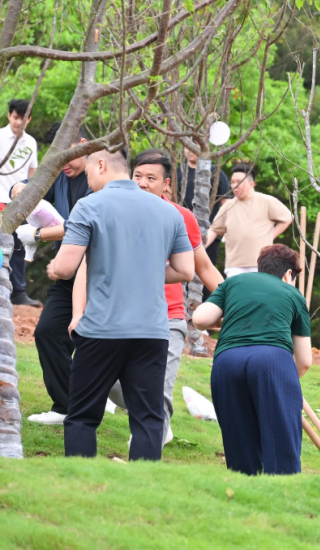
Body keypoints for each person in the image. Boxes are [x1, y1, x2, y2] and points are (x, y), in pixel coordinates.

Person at [46, 146, 194, 460]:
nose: (87, 180)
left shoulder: (90, 205)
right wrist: (146, 270)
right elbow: (185, 270)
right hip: (152, 331)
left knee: (82, 416)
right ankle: (142, 481)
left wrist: (53, 267)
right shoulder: (170, 212)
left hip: (102, 329)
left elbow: (66, 267)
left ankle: (83, 479)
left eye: (88, 171)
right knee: (148, 418)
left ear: (101, 165)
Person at [101, 148, 224, 446]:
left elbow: (204, 267)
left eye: (151, 178)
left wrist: (234, 302)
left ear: (166, 184)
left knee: (158, 387)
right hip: (118, 315)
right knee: (107, 381)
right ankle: (152, 418)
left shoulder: (180, 217)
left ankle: (150, 437)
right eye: (137, 176)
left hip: (168, 317)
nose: (142, 183)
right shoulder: (114, 209)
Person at [193, 244, 312, 475]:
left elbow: (200, 319)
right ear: (289, 274)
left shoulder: (233, 283)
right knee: (281, 451)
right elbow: (305, 360)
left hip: (227, 362)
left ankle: (243, 493)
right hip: (272, 361)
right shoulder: (293, 294)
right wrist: (285, 381)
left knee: (240, 451)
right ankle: (283, 493)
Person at [19, 125, 93, 425]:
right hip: (67, 275)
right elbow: (32, 185)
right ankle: (65, 407)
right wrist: (18, 188)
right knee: (48, 333)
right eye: (56, 156)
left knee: (97, 344)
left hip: (97, 274)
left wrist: (38, 234)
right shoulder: (61, 175)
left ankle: (103, 398)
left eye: (67, 155)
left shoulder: (99, 179)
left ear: (84, 144)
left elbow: (83, 225)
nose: (63, 163)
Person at [206, 163, 292, 277]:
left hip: (261, 262)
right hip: (234, 265)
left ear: (251, 184)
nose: (234, 185)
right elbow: (214, 229)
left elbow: (288, 217)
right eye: (232, 182)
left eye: (238, 182)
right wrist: (200, 247)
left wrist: (270, 236)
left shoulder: (266, 201)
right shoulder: (228, 206)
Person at [1, 98, 39, 306]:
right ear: (9, 115)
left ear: (29, 119)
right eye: (15, 117)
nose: (18, 122)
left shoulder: (31, 143)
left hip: (20, 203)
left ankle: (18, 293)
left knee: (19, 247)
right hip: (0, 199)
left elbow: (32, 174)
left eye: (23, 119)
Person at [181, 147, 232, 266]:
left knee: (206, 271)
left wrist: (221, 228)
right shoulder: (178, 173)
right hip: (182, 234)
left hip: (209, 235)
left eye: (194, 146)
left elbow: (227, 205)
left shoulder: (216, 173)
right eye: (187, 147)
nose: (190, 150)